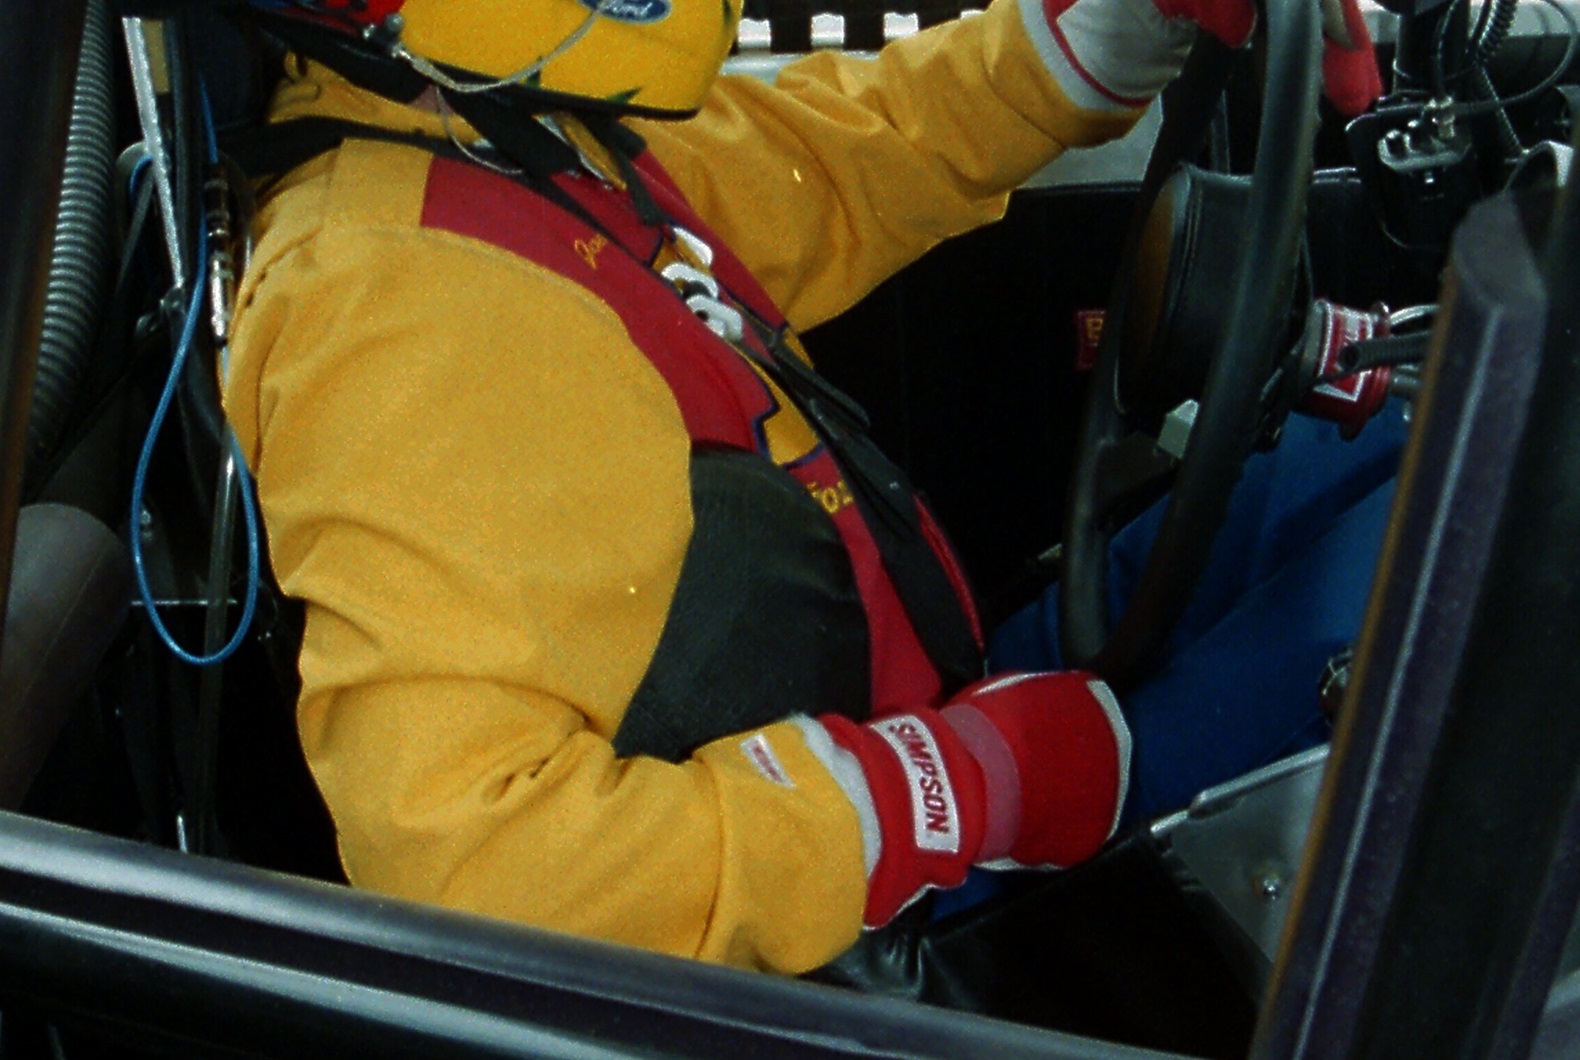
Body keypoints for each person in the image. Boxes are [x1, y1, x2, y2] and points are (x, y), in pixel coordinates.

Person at [224, 0, 1380, 974]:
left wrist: (1113, 28)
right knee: (1451, 593)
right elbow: (474, 881)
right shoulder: (403, 299)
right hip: (898, 913)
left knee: (1380, 458)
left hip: (920, 731)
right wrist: (957, 785)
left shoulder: (513, 143)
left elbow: (842, 152)